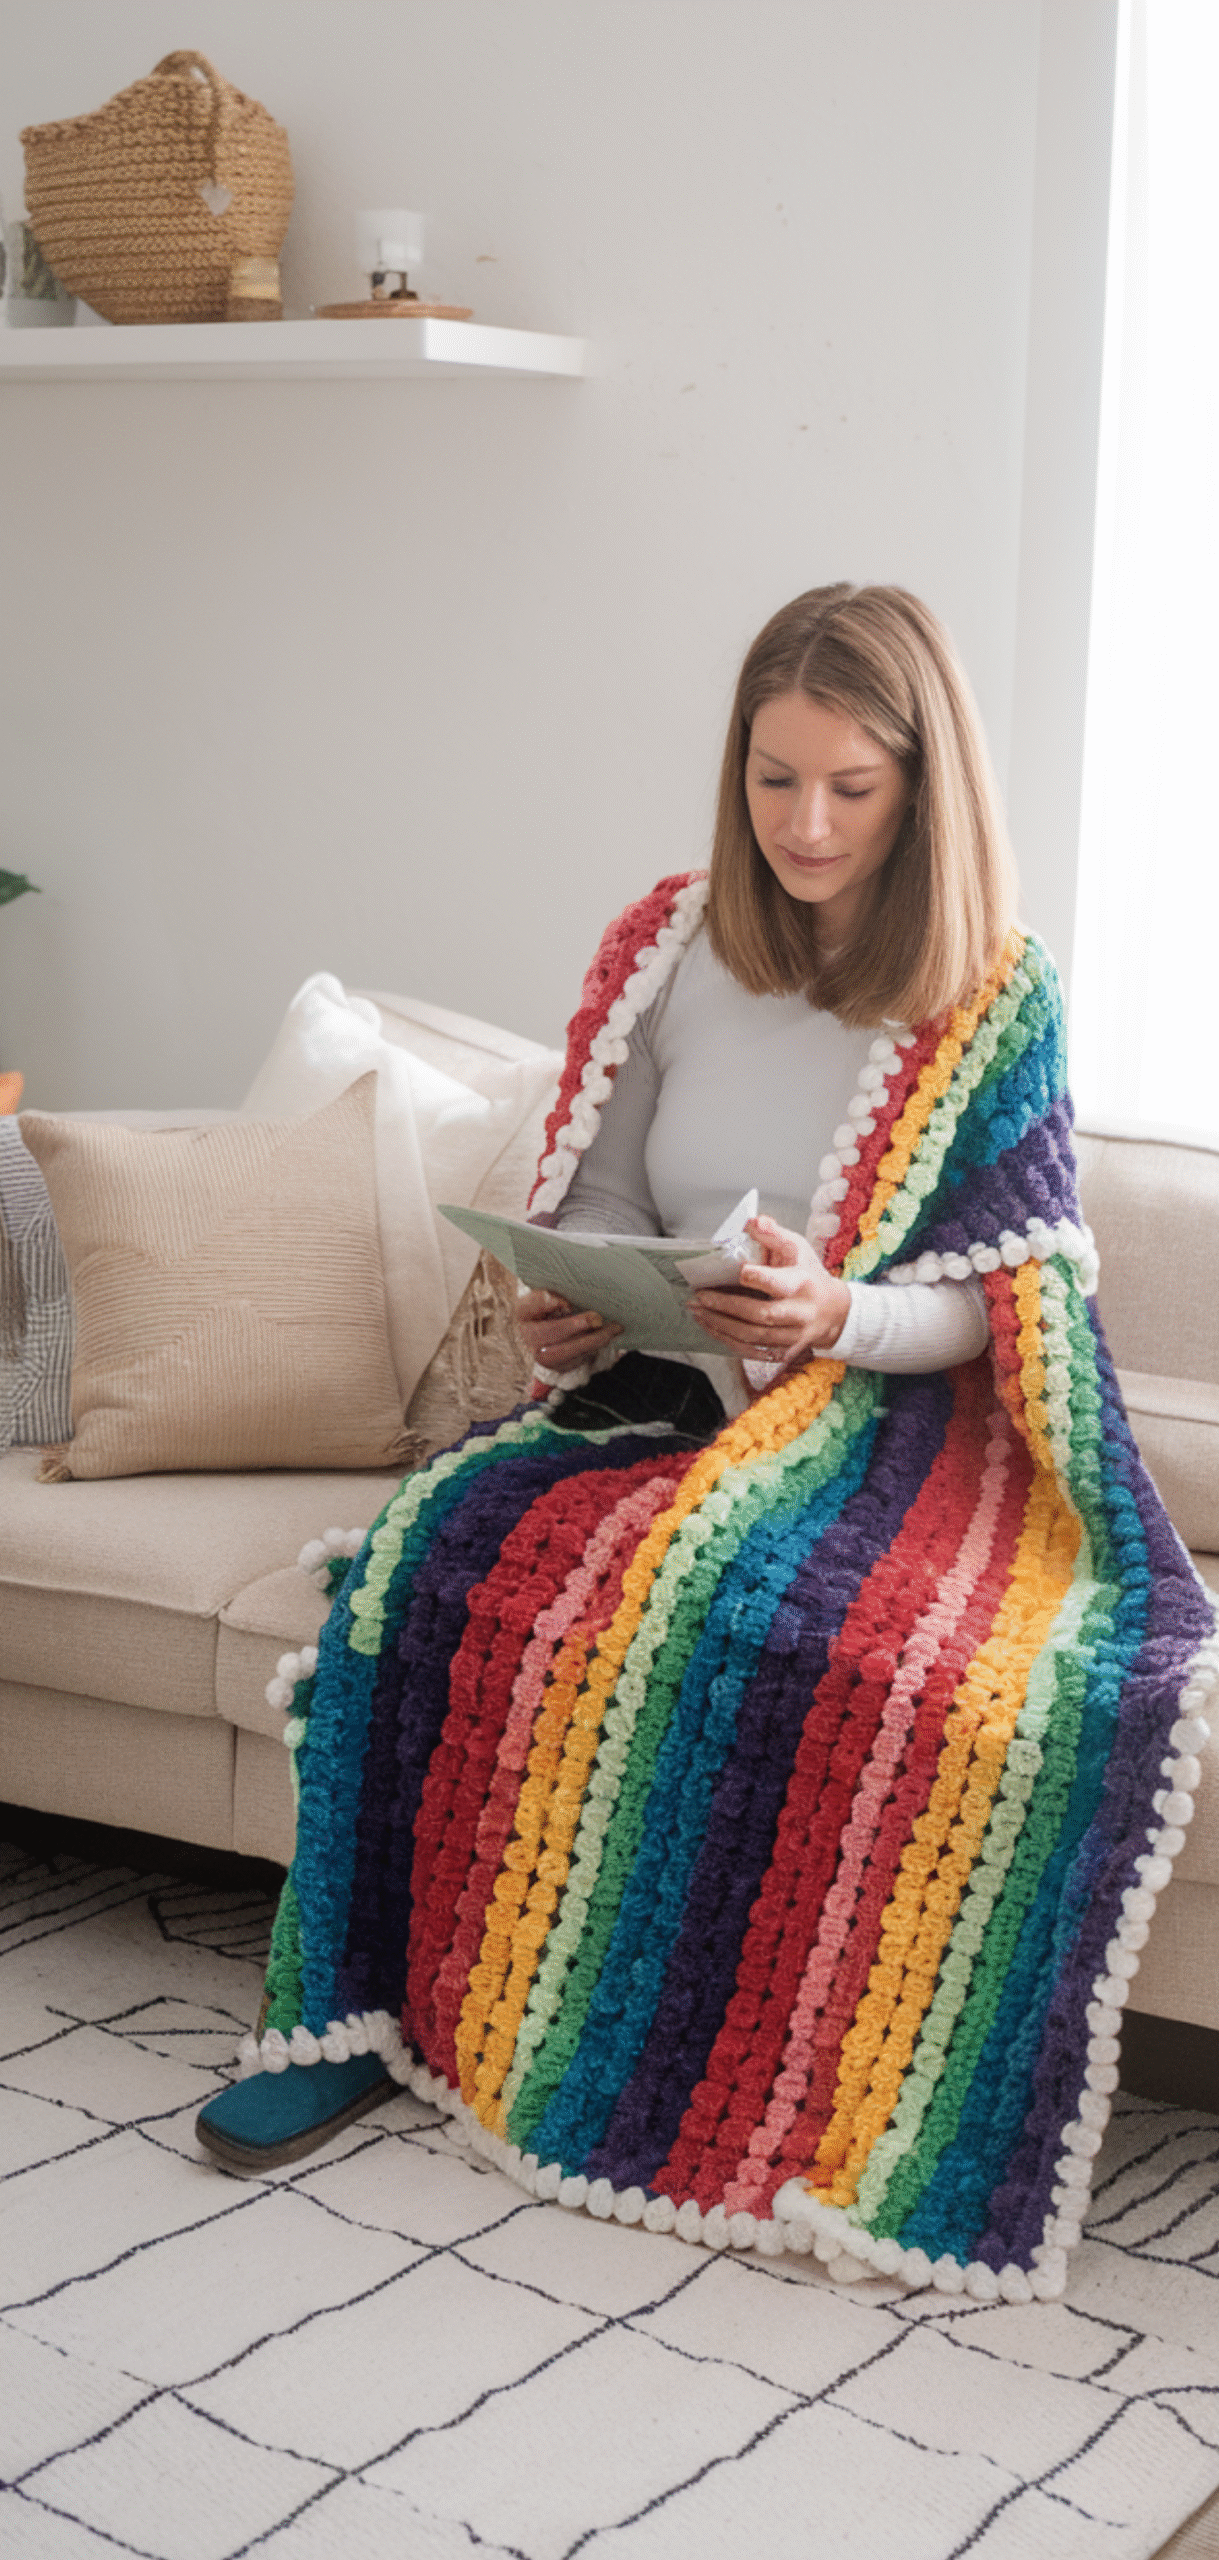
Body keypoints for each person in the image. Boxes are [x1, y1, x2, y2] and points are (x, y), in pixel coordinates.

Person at [195, 586, 1212, 2302]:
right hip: (658, 1400)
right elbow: (595, 1198)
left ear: (923, 789)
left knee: (759, 1619)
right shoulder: (668, 943)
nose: (804, 827)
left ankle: (755, 2086)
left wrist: (838, 1319)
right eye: (771, 781)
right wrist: (569, 1305)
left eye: (849, 788)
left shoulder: (990, 994)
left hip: (883, 1439)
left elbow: (1005, 1298)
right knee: (428, 1565)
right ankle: (351, 2003)